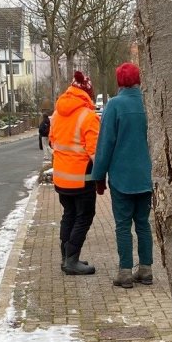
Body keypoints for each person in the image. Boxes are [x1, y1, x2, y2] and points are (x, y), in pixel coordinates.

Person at [91, 62, 153, 288]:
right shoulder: (149, 104)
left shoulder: (114, 106)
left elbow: (105, 143)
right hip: (146, 176)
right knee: (143, 224)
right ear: (139, 80)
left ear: (119, 82)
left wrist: (98, 176)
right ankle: (146, 269)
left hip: (121, 177)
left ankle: (125, 272)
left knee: (123, 225)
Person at [50, 71, 103, 276]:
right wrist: (101, 177)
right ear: (87, 93)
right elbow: (94, 152)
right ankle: (71, 260)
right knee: (85, 216)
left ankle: (66, 256)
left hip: (61, 177)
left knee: (69, 214)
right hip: (81, 179)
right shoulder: (88, 117)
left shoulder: (56, 113)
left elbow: (53, 142)